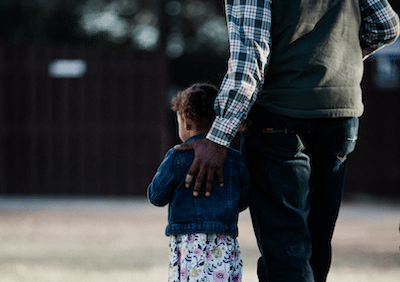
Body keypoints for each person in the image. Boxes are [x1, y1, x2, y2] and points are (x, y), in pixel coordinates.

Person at [176, 0, 400, 281]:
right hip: (342, 116)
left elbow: (250, 60)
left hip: (280, 118)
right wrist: (332, 65)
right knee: (315, 246)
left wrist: (218, 138)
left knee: (287, 252)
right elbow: (385, 26)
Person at [148, 83, 251, 282]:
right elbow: (244, 199)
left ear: (185, 122)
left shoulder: (178, 156)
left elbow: (156, 196)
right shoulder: (236, 160)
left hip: (188, 243)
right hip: (225, 242)